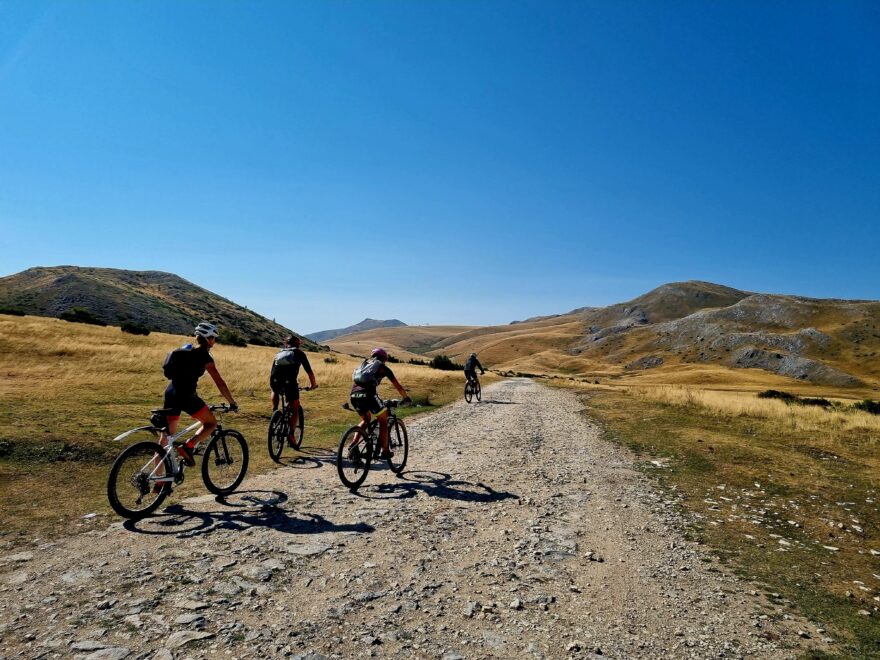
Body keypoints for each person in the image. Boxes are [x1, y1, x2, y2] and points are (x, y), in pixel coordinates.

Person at [160, 322, 238, 466]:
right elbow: (219, 382)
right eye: (214, 338)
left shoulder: (184, 350)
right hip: (186, 396)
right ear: (209, 339)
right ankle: (188, 446)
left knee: (165, 439)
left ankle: (159, 483)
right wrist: (232, 402)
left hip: (170, 393)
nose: (214, 341)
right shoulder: (205, 357)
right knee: (211, 423)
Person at [349, 348, 410, 459]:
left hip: (354, 395)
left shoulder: (363, 365)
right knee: (383, 420)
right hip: (369, 395)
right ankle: (385, 451)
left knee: (365, 419)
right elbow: (398, 386)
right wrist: (406, 398)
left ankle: (353, 445)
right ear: (384, 359)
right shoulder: (383, 368)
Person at [270, 335, 318, 446]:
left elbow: (272, 370)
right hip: (289, 383)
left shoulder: (279, 353)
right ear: (298, 344)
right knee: (295, 406)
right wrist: (313, 385)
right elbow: (309, 372)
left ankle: (275, 412)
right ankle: (291, 434)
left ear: (286, 343)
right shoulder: (299, 353)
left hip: (275, 380)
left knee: (274, 390)